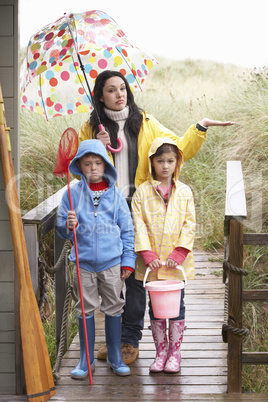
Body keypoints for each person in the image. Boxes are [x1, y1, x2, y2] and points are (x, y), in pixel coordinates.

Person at [78, 70, 236, 364]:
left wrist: (199, 126)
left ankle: (128, 341)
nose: (119, 94)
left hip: (140, 205)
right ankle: (115, 339)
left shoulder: (146, 123)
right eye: (111, 90)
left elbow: (178, 148)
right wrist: (97, 143)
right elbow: (82, 166)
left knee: (138, 277)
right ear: (100, 96)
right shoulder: (91, 128)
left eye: (122, 88)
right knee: (114, 274)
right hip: (107, 208)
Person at [55, 139, 136, 378]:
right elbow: (61, 228)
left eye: (98, 163)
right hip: (83, 262)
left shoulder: (116, 195)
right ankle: (85, 358)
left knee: (114, 307)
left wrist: (128, 259)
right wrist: (68, 226)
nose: (93, 168)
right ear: (79, 165)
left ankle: (114, 355)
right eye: (87, 163)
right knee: (85, 309)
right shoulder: (71, 194)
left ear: (106, 166)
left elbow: (127, 229)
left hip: (112, 263)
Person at [131, 137, 195, 373]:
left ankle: (174, 354)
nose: (165, 166)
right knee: (156, 308)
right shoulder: (142, 193)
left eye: (170, 160)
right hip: (153, 264)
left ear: (177, 162)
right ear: (152, 162)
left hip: (175, 264)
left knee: (177, 306)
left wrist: (180, 252)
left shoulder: (185, 192)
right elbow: (138, 224)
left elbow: (189, 224)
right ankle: (160, 353)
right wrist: (147, 253)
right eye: (160, 161)